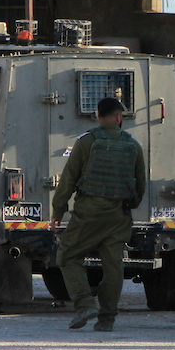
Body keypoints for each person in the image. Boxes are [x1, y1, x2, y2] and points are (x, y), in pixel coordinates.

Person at [51, 97, 146, 332]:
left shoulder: (86, 142)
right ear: (118, 117)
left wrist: (58, 211)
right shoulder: (133, 145)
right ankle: (107, 319)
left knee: (67, 256)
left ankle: (85, 305)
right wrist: (127, 205)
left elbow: (68, 180)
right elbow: (140, 185)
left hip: (88, 215)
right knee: (114, 267)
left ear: (97, 117)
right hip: (118, 216)